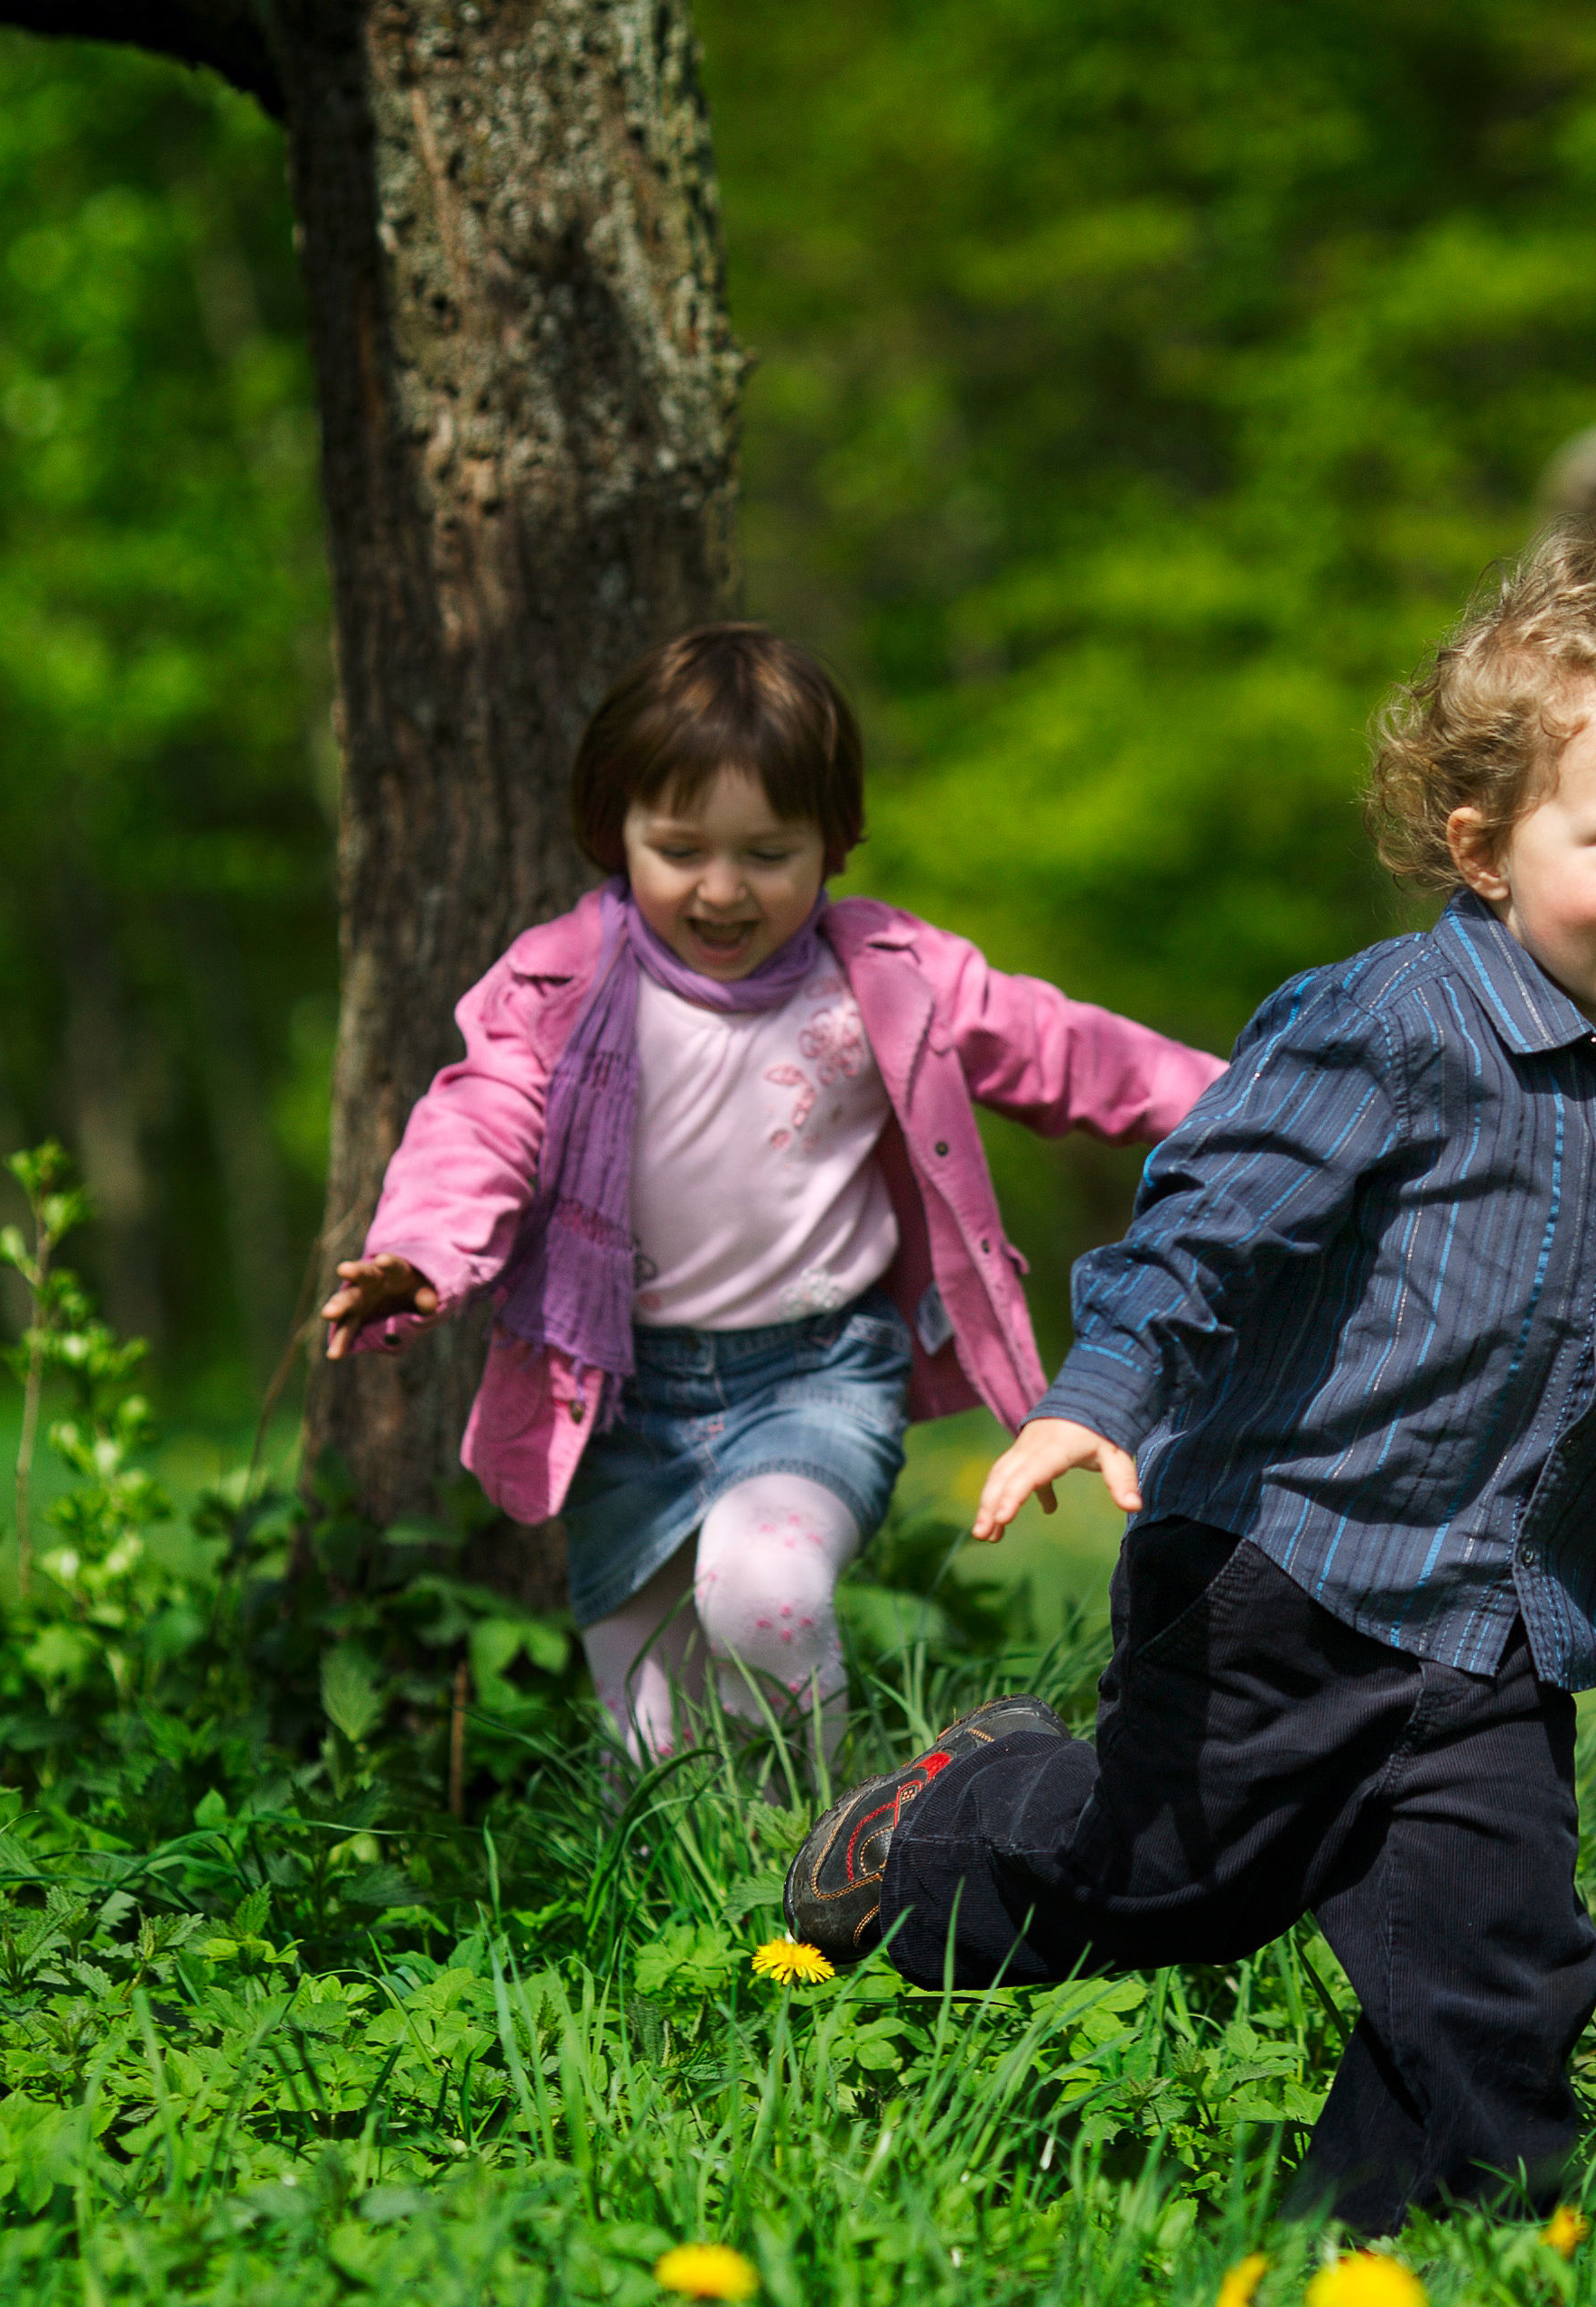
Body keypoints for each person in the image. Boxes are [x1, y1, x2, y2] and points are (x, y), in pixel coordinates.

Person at [779, 502, 1596, 2232]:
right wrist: (1100, 1392)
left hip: (1498, 1620)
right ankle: (933, 1824)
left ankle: (1372, 2252)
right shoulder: (1380, 1025)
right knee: (1161, 1882)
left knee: (1500, 1978)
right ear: (1484, 847)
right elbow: (1207, 1220)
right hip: (1280, 1574)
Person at [322, 624, 1223, 1779]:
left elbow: (1067, 1053)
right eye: (680, 846)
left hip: (815, 1374)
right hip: (622, 1389)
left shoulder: (886, 976)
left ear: (831, 844)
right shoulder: (560, 983)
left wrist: (1249, 1099)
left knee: (762, 1593)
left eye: (767, 852)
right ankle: (691, 1929)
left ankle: (827, 1857)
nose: (722, 888)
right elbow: (478, 1121)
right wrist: (420, 1256)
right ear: (618, 832)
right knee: (647, 1746)